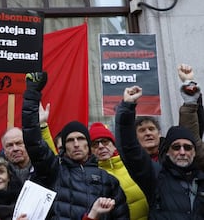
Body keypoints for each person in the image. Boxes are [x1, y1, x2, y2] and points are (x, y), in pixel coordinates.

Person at [21, 71, 129, 219]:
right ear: (64, 147)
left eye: (81, 139)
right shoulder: (53, 171)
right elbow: (33, 141)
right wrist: (32, 94)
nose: (76, 144)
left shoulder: (108, 180)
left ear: (89, 145)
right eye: (70, 140)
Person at [115, 85, 204, 219]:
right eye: (176, 147)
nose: (182, 152)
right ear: (167, 151)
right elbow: (129, 149)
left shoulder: (201, 179)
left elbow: (194, 129)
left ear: (195, 151)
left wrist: (191, 98)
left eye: (187, 147)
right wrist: (127, 107)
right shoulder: (156, 177)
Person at [89, 122, 148, 220]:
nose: (100, 146)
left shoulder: (131, 164)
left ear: (114, 145)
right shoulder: (93, 176)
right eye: (95, 144)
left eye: (105, 141)